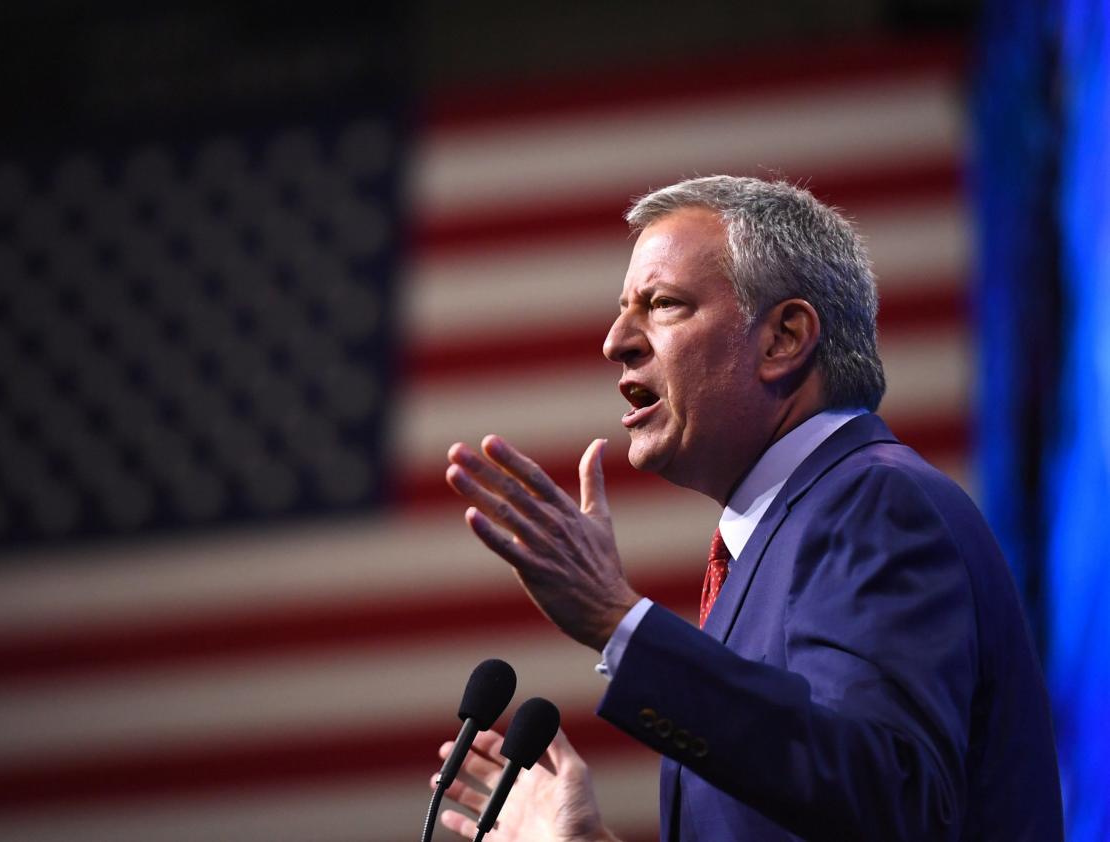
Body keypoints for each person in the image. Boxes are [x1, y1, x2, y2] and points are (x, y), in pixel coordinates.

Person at [430, 176, 1063, 841]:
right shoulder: (770, 541)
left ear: (784, 338)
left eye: (662, 304)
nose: (617, 339)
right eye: (624, 309)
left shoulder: (872, 500)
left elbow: (890, 797)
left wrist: (617, 620)